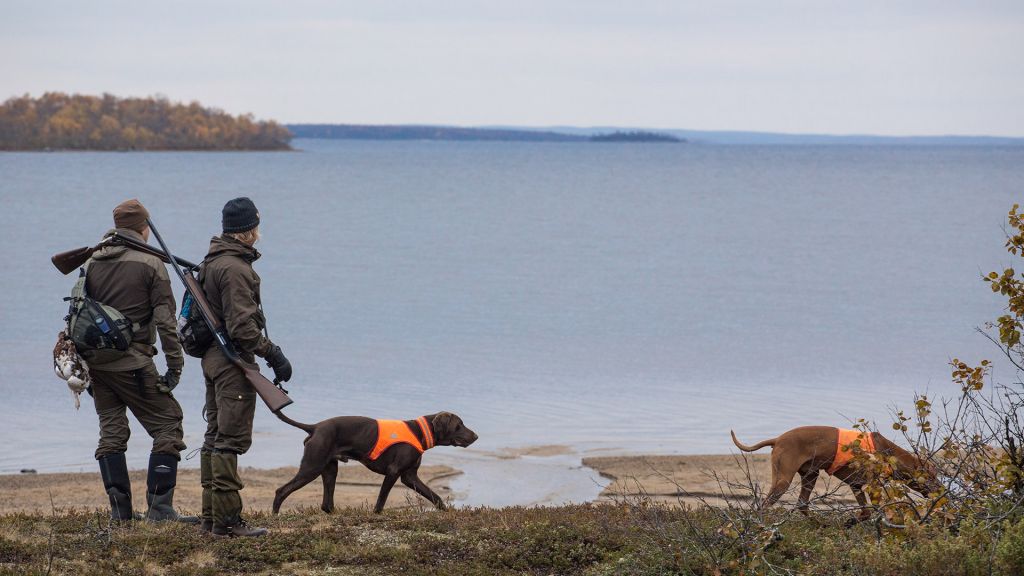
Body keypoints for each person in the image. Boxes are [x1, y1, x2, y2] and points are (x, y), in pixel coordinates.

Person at [83, 199, 195, 523]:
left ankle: (120, 513)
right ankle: (160, 509)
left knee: (112, 433)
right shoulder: (151, 263)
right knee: (168, 424)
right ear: (144, 229)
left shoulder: (92, 261)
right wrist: (175, 367)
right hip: (132, 363)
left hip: (97, 364)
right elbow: (166, 322)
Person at [199, 197, 292, 537]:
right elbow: (242, 329)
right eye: (256, 225)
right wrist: (273, 353)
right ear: (246, 230)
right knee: (228, 440)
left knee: (214, 438)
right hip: (231, 362)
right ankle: (227, 523)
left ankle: (211, 519)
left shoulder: (214, 262)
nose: (259, 231)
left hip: (214, 359)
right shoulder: (236, 269)